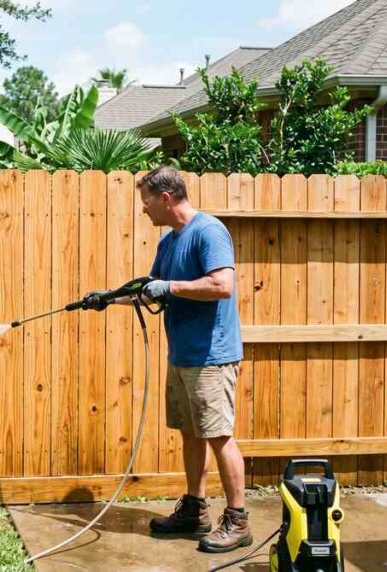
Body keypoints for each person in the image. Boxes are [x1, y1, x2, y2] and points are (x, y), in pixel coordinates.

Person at [113, 166, 249, 553]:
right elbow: (150, 292)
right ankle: (194, 509)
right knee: (190, 434)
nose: (144, 210)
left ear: (166, 199)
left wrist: (169, 286)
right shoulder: (169, 243)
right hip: (184, 354)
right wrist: (107, 299)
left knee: (220, 436)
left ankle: (238, 520)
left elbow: (222, 285)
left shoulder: (208, 232)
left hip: (212, 356)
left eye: (146, 202)